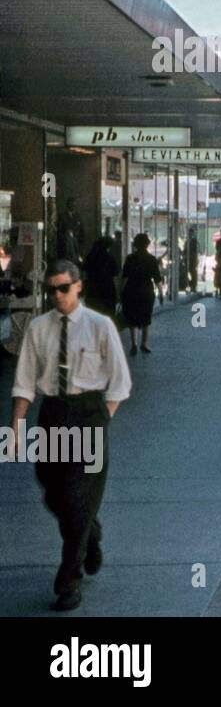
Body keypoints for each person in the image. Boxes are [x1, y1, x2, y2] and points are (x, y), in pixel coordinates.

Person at [7, 260, 131, 611]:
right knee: (54, 492)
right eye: (52, 290)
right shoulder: (38, 328)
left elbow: (120, 384)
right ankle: (90, 533)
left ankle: (68, 580)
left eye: (64, 288)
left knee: (78, 498)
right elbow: (25, 379)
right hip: (52, 415)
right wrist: (15, 426)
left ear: (79, 286)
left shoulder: (99, 326)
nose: (57, 295)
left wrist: (99, 421)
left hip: (89, 413)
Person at [121, 234, 163, 355]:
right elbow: (157, 279)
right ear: (147, 244)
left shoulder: (130, 258)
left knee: (132, 318)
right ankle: (144, 343)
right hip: (146, 291)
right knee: (146, 317)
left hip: (131, 290)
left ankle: (134, 343)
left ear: (135, 244)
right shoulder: (151, 259)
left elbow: (125, 277)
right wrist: (160, 293)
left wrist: (121, 291)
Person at [79, 236, 119, 318]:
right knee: (107, 316)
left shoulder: (90, 257)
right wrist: (117, 292)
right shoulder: (110, 258)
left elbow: (84, 273)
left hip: (93, 289)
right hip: (108, 290)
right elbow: (115, 277)